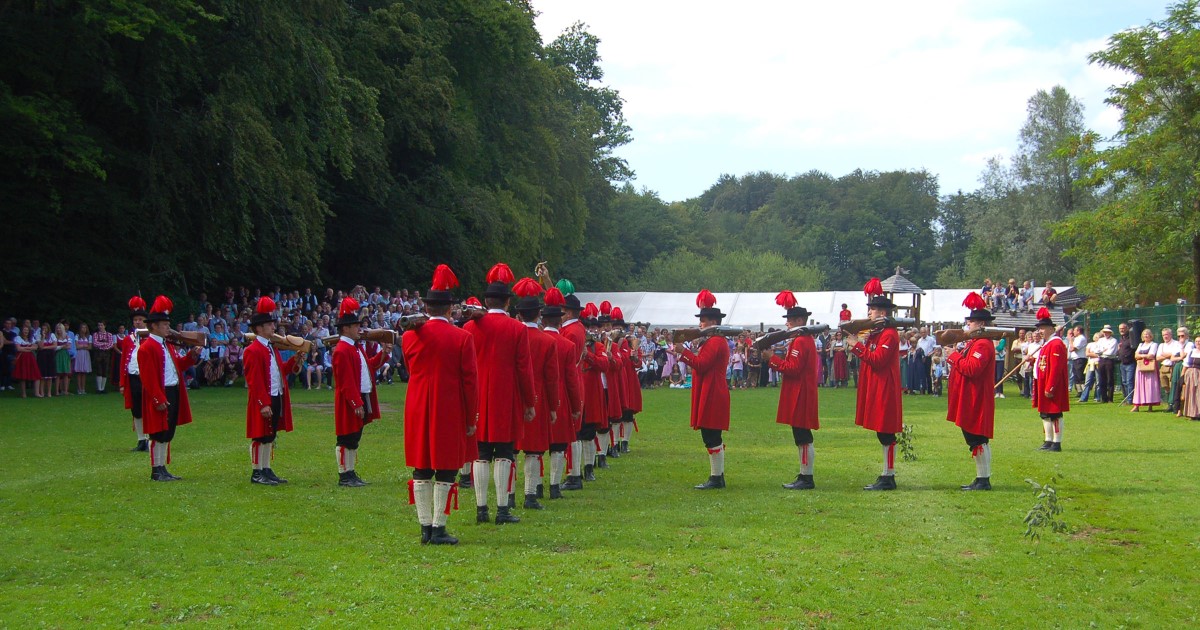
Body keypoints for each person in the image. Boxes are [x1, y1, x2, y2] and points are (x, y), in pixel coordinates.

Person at [402, 265, 479, 545]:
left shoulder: (410, 336)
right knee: (446, 467)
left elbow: (410, 367)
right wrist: (472, 417)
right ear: (449, 309)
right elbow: (470, 382)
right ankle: (438, 526)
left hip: (418, 403)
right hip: (449, 405)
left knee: (421, 466)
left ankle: (424, 527)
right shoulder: (462, 338)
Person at [464, 263, 536, 525]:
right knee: (505, 452)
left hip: (478, 398)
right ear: (508, 302)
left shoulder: (470, 328)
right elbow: (524, 369)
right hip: (507, 397)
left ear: (485, 301)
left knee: (481, 453)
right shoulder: (517, 329)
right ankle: (502, 509)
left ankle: (481, 508)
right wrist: (530, 401)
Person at [847, 278, 903, 491]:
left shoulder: (889, 334)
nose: (869, 313)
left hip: (884, 387)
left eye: (872, 309)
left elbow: (878, 360)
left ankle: (889, 475)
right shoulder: (878, 333)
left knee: (886, 432)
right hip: (876, 386)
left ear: (881, 312)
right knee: (882, 433)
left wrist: (857, 346)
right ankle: (886, 474)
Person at [512, 277, 560, 510]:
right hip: (538, 396)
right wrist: (553, 407)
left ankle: (508, 494)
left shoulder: (512, 335)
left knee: (509, 449)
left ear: (519, 315)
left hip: (513, 396)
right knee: (533, 450)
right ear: (538, 315)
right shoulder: (547, 341)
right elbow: (552, 379)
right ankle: (530, 494)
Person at [139, 296, 198, 481]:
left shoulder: (167, 345)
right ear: (154, 326)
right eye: (164, 324)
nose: (168, 327)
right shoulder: (147, 348)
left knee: (168, 430)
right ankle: (156, 469)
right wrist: (157, 398)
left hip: (172, 389)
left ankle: (162, 467)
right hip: (160, 392)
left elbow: (177, 366)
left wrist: (191, 356)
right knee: (158, 432)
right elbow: (148, 378)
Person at [676, 290, 731, 490]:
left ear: (712, 321)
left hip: (713, 391)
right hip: (712, 389)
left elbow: (701, 364)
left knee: (711, 434)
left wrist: (684, 352)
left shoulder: (715, 341)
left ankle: (717, 477)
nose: (701, 323)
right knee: (710, 434)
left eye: (704, 320)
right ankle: (717, 476)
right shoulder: (713, 340)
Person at [244, 296, 302, 486]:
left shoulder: (271, 348)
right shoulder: (253, 351)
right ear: (259, 328)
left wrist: (294, 360)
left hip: (276, 395)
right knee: (259, 435)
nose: (273, 327)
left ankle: (266, 468)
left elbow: (280, 372)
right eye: (269, 324)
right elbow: (255, 380)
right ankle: (256, 471)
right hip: (264, 398)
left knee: (270, 434)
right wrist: (263, 403)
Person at [332, 297, 389, 487]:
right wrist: (356, 403)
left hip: (360, 396)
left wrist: (383, 353)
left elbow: (369, 366)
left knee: (354, 437)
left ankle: (350, 471)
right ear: (346, 328)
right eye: (356, 326)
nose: (360, 329)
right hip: (351, 399)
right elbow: (346, 381)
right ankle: (344, 474)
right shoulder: (342, 350)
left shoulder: (355, 347)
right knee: (346, 437)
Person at [767, 291, 819, 490]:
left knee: (802, 434)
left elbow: (793, 368)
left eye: (790, 319)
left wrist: (772, 358)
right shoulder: (802, 339)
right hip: (803, 390)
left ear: (799, 320)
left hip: (801, 391)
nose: (787, 323)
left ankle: (806, 476)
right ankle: (804, 474)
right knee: (800, 434)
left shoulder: (800, 340)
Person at [946, 293, 997, 490]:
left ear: (980, 324)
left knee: (977, 438)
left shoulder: (983, 344)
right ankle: (980, 477)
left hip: (975, 396)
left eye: (972, 322)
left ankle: (983, 478)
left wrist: (954, 357)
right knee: (973, 437)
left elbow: (972, 369)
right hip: (969, 395)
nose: (969, 324)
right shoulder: (976, 342)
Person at [540, 288, 583, 499]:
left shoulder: (569, 334)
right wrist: (576, 406)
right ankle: (554, 486)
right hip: (561, 394)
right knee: (558, 444)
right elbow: (571, 377)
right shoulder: (567, 341)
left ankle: (537, 487)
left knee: (540, 445)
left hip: (545, 394)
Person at [1032, 308, 1069, 451]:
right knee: (1045, 413)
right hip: (1042, 382)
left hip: (1051, 384)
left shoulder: (1056, 344)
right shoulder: (1046, 344)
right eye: (1039, 329)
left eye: (1042, 328)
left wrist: (1050, 386)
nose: (1040, 331)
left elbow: (1055, 368)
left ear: (1050, 329)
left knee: (1055, 414)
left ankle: (1057, 442)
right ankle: (1048, 440)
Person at [118, 297, 150, 451]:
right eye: (136, 319)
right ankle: (141, 439)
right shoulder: (127, 340)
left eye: (141, 319)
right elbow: (124, 361)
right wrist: (122, 383)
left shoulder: (151, 339)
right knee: (136, 410)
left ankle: (151, 438)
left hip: (147, 378)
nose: (138, 322)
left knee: (149, 408)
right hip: (132, 377)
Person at [1132, 329, 1161, 412]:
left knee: (1150, 385)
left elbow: (1151, 355)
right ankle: (1136, 406)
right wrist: (1144, 356)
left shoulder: (1154, 344)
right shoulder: (1140, 345)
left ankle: (1150, 405)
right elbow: (1136, 356)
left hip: (1150, 368)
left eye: (1148, 334)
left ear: (1151, 336)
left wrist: (1141, 356)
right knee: (1139, 385)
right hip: (1140, 368)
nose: (1146, 336)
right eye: (1144, 334)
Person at [1155, 328, 1181, 411]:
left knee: (1172, 386)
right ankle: (1169, 404)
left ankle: (1173, 405)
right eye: (1163, 335)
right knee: (1165, 386)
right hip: (1163, 367)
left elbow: (1174, 355)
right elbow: (1158, 358)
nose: (1165, 336)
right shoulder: (1161, 345)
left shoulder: (1176, 343)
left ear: (1170, 334)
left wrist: (1165, 355)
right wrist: (1168, 355)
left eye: (1166, 334)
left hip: (1172, 367)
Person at [12, 324, 40, 398]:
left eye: (27, 330)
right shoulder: (18, 338)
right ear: (22, 331)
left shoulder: (31, 338)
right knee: (22, 376)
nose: (26, 331)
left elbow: (36, 347)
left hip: (30, 358)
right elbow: (18, 348)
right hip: (22, 359)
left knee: (36, 374)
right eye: (24, 330)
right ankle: (23, 394)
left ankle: (37, 393)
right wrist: (29, 348)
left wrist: (25, 348)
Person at [1094, 325, 1119, 403]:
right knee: (1101, 379)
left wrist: (1101, 351)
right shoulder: (1100, 340)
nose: (1106, 333)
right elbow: (1096, 350)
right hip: (1101, 359)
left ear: (1110, 333)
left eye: (1107, 332)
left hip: (1109, 360)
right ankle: (1103, 398)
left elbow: (1110, 352)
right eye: (1104, 332)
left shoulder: (1114, 340)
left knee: (1110, 379)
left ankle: (1110, 398)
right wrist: (1102, 351)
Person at [92, 322, 115, 394]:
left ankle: (103, 388)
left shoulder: (109, 334)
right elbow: (95, 344)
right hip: (98, 354)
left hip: (106, 354)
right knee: (99, 370)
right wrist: (105, 344)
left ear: (105, 326)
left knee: (105, 370)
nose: (100, 326)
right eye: (99, 325)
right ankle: (99, 388)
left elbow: (111, 344)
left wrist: (103, 346)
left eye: (101, 325)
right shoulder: (95, 334)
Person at [1117, 322, 1136, 403]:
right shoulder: (1121, 338)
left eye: (1123, 328)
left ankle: (1130, 400)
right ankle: (1126, 398)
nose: (1122, 330)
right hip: (1122, 364)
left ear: (1127, 329)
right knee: (1124, 382)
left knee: (1129, 382)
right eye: (1120, 329)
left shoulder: (1131, 338)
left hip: (1130, 363)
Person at [72, 323, 92, 394]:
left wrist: (82, 346)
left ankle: (83, 389)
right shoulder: (77, 336)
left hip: (85, 354)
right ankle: (79, 389)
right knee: (79, 372)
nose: (83, 329)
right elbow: (76, 346)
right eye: (82, 328)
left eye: (85, 328)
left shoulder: (89, 336)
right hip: (79, 354)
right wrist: (85, 346)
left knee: (84, 372)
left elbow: (90, 347)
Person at [1069, 326, 1087, 394]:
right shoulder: (1076, 338)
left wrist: (1070, 341)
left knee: (1080, 376)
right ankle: (1079, 391)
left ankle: (1084, 392)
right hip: (1075, 359)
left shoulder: (1081, 338)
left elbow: (1074, 348)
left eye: (1075, 330)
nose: (1073, 332)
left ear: (1078, 331)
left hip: (1080, 359)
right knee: (1076, 376)